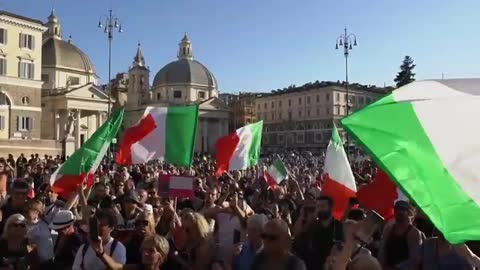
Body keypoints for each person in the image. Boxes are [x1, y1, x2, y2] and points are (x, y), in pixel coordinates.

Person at [293, 195, 344, 270]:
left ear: (330, 208)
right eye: (318, 206)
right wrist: (302, 216)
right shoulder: (311, 224)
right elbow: (296, 235)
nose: (320, 209)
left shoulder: (338, 226)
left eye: (323, 206)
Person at [379, 200, 423, 270]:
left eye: (402, 209)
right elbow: (382, 251)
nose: (399, 212)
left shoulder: (414, 233)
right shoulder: (389, 229)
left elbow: (415, 260)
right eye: (396, 209)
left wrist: (396, 268)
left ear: (409, 212)